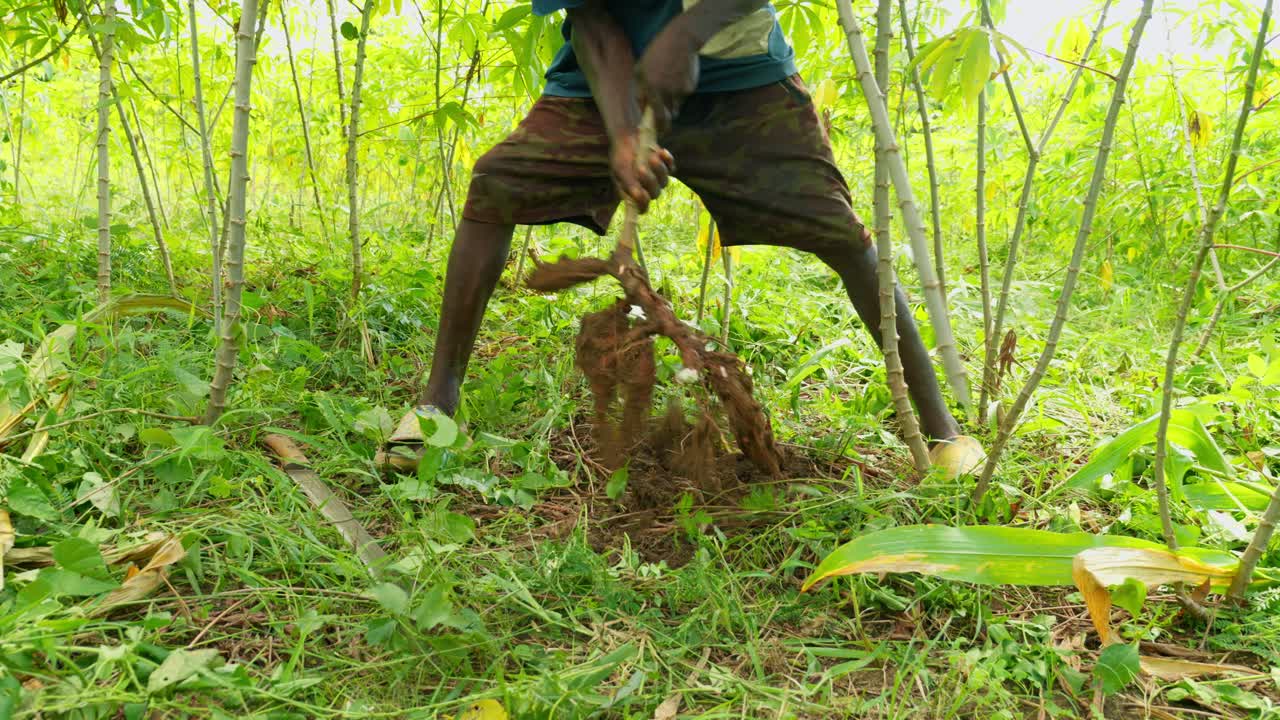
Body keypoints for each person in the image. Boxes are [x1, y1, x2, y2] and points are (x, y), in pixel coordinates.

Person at [383, 0, 977, 469]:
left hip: (745, 81)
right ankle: (439, 404)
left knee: (840, 232)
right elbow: (589, 16)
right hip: (602, 88)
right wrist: (622, 134)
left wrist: (687, 34)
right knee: (496, 183)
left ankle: (940, 432)